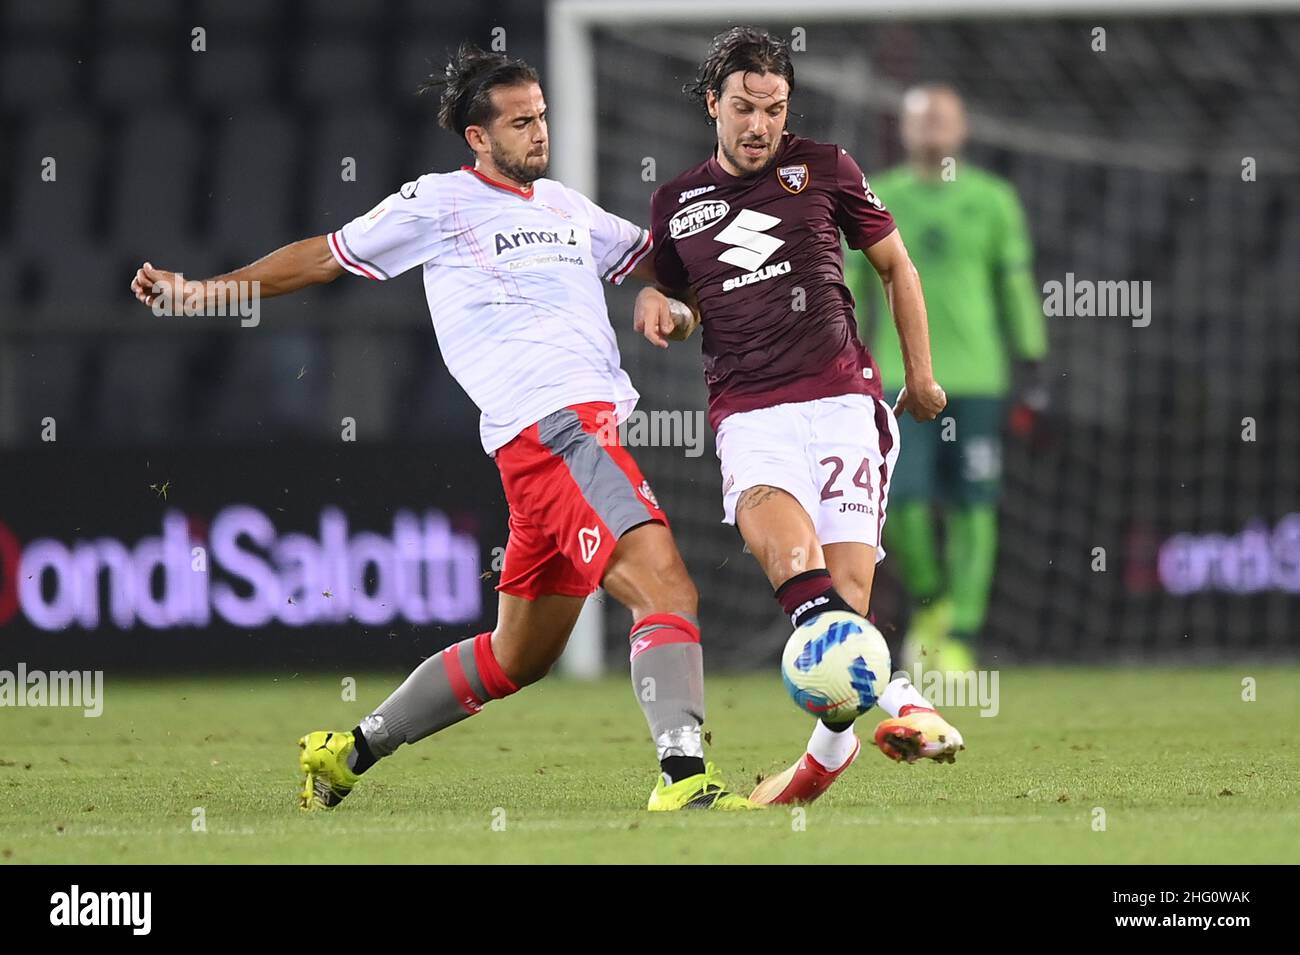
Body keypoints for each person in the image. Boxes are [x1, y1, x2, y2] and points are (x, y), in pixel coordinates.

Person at [130, 44, 753, 812]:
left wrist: (671, 301)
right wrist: (202, 295)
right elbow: (324, 259)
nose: (540, 133)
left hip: (554, 445)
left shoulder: (565, 208)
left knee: (516, 654)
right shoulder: (437, 204)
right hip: (557, 431)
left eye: (543, 118)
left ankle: (350, 749)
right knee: (664, 585)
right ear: (478, 139)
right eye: (521, 123)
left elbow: (662, 267)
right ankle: (684, 777)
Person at [636, 28, 965, 807]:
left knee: (844, 606)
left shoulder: (827, 168)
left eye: (775, 109)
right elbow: (675, 300)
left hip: (846, 406)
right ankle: (911, 708)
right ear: (713, 104)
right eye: (745, 107)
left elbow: (896, 265)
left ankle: (819, 764)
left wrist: (920, 376)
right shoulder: (676, 203)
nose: (760, 125)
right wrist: (662, 308)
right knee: (802, 580)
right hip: (752, 419)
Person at [848, 84, 1048, 673]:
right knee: (899, 504)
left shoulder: (993, 199)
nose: (933, 126)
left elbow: (1014, 285)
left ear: (962, 128)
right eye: (921, 117)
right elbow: (853, 290)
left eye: (944, 117)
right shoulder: (877, 194)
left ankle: (959, 631)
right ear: (904, 129)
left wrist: (1032, 361)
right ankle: (931, 601)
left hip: (977, 379)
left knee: (974, 506)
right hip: (897, 380)